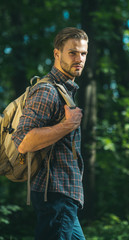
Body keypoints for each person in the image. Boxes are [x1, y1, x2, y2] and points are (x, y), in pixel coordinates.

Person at [12, 27, 88, 240]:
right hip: (55, 195)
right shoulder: (47, 91)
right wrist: (67, 125)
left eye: (83, 53)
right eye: (72, 52)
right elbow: (23, 142)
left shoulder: (65, 91)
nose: (79, 58)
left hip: (65, 196)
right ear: (57, 54)